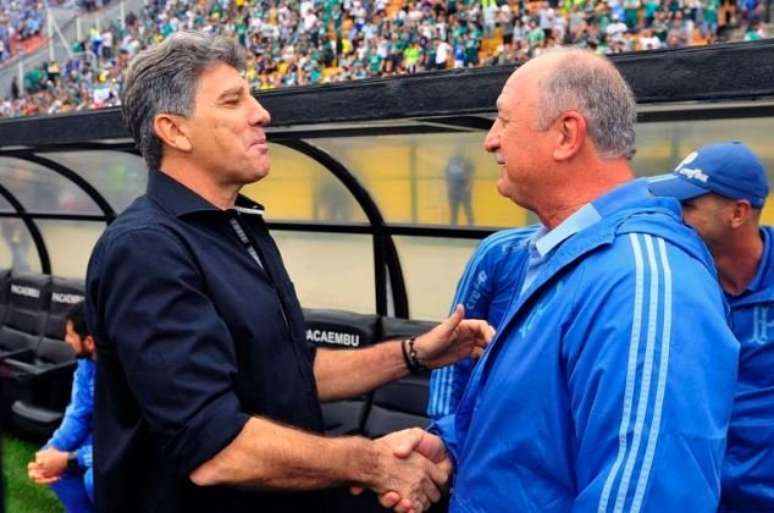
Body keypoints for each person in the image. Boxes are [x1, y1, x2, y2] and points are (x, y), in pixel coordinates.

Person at [84, 32, 493, 513]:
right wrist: (372, 460)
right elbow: (214, 447)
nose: (261, 113)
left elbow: (294, 370)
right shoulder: (146, 249)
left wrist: (415, 354)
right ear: (174, 131)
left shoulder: (240, 227)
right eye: (234, 100)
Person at [381, 48, 740, 513]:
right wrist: (452, 446)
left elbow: (645, 498)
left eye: (504, 121)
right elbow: (538, 423)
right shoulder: (562, 254)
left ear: (567, 135)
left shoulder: (644, 280)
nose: (490, 141)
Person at [648, 141, 774, 513]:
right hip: (697, 496)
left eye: (689, 205)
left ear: (737, 213)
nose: (676, 216)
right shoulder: (670, 279)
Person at [427, 225, 538, 418]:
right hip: (491, 423)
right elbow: (455, 343)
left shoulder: (603, 262)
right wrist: (440, 430)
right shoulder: (501, 250)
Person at [27, 302, 95, 513]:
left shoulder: (126, 371)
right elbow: (78, 414)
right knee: (50, 461)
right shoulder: (86, 364)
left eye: (70, 334)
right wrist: (51, 452)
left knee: (95, 479)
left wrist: (71, 459)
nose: (66, 340)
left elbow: (127, 445)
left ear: (90, 341)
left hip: (133, 450)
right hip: (100, 440)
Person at [445, 153, 474, 226]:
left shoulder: (466, 161)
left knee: (467, 210)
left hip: (462, 190)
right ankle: (453, 228)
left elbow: (471, 174)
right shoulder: (451, 162)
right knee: (454, 212)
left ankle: (471, 227)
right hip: (454, 191)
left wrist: (468, 187)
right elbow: (447, 177)